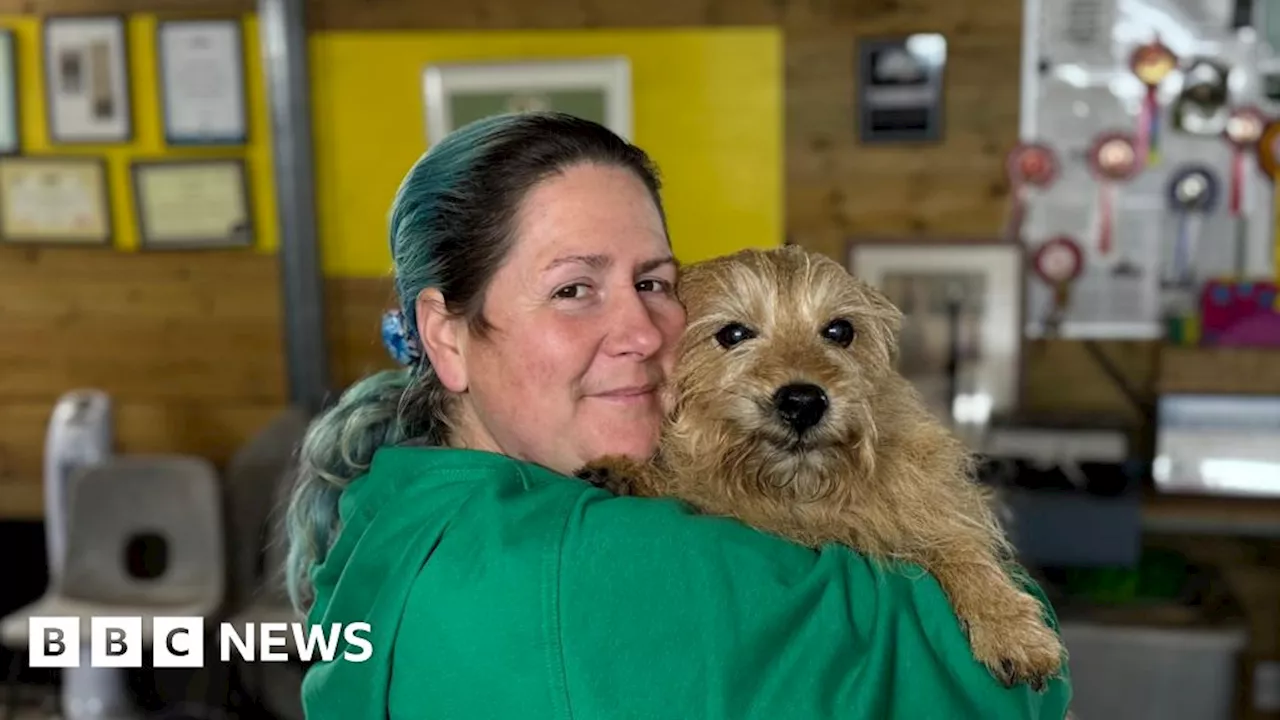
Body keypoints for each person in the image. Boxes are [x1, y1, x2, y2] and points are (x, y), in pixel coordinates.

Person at [284, 111, 1072, 719]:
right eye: (573, 289)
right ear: (445, 335)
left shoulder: (395, 505)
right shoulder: (608, 563)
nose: (639, 331)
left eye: (654, 283)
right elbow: (1010, 689)